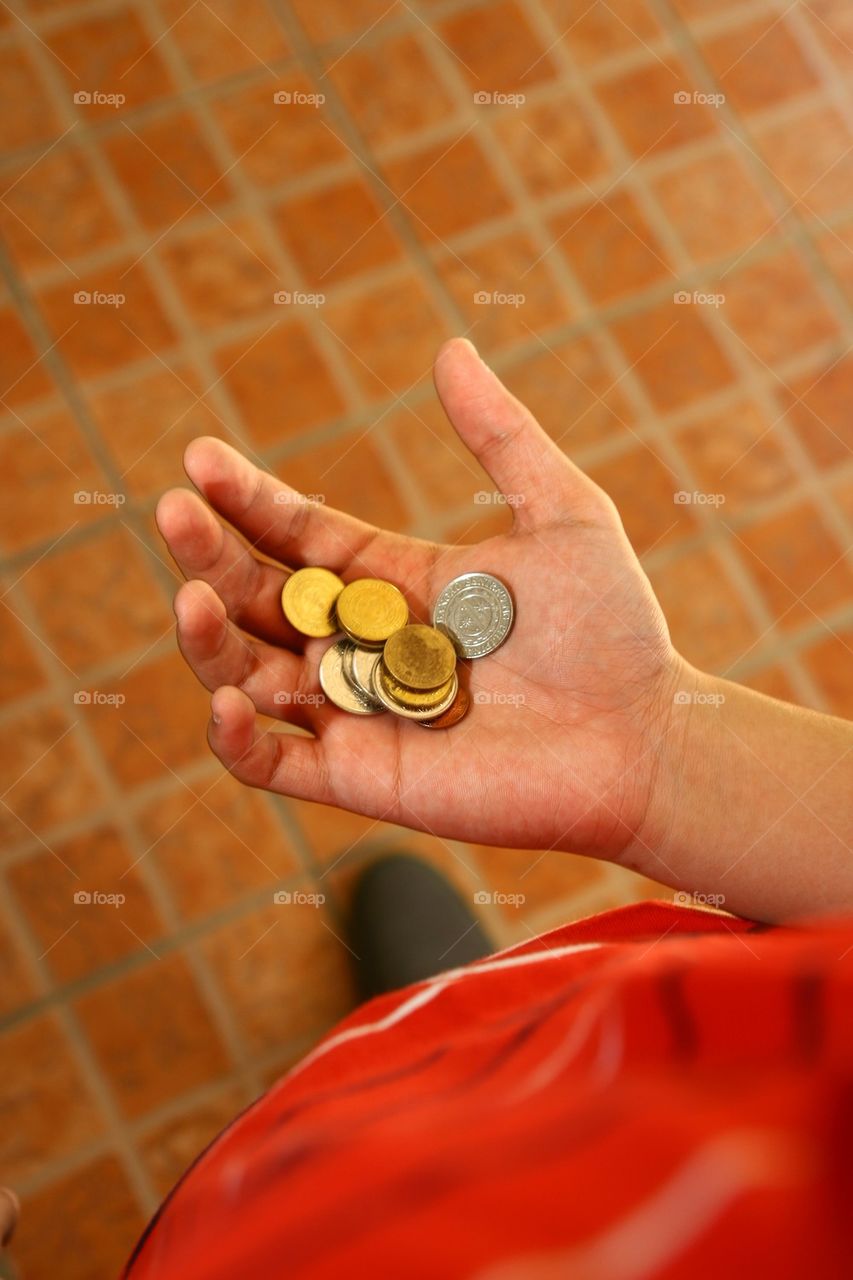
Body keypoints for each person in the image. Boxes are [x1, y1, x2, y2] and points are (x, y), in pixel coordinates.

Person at [7, 340, 851, 1277]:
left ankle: (449, 1055)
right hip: (588, 1061)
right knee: (461, 1050)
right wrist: (657, 751)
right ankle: (452, 1038)